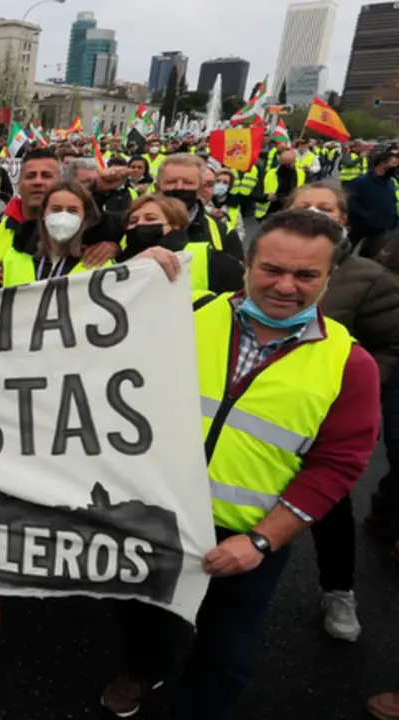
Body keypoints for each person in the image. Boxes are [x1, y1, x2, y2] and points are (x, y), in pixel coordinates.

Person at [112, 210, 381, 720]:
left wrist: (261, 541)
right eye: (272, 270)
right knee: (142, 615)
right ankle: (142, 671)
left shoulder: (350, 364)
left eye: (306, 275)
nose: (286, 286)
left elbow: (336, 466)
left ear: (330, 277)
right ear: (246, 265)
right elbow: (80, 335)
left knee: (224, 652)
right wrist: (129, 277)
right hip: (154, 514)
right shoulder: (184, 311)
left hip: (245, 537)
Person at [287, 182, 399, 644]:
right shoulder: (258, 264)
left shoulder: (370, 278)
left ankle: (338, 590)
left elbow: (391, 344)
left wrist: (357, 387)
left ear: (343, 220)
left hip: (322, 415)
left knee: (326, 505)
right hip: (256, 408)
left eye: (325, 208)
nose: (314, 213)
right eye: (303, 206)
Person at [0, 181, 110, 290]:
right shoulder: (12, 258)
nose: (63, 216)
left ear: (85, 216)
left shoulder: (102, 263)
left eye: (72, 211)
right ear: (43, 214)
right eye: (55, 209)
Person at [119, 193, 243, 293]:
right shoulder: (116, 261)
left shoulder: (208, 258)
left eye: (150, 219)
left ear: (176, 225)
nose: (140, 224)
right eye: (133, 221)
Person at [155, 154, 243, 261]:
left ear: (200, 189)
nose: (179, 187)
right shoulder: (137, 227)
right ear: (157, 188)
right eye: (171, 182)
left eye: (188, 182)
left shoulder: (223, 233)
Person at [346, 149, 399, 259]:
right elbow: (349, 201)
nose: (396, 168)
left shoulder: (390, 182)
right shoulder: (361, 181)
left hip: (382, 227)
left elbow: (392, 200)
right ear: (382, 163)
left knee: (371, 254)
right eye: (393, 164)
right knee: (347, 250)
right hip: (361, 225)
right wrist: (365, 214)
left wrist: (394, 218)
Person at [255, 149, 306, 221]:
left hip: (291, 212)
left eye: (289, 164)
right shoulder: (269, 174)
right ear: (280, 162)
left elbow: (306, 193)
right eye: (284, 164)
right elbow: (255, 194)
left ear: (294, 162)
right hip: (270, 213)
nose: (287, 167)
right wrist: (266, 197)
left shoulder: (301, 174)